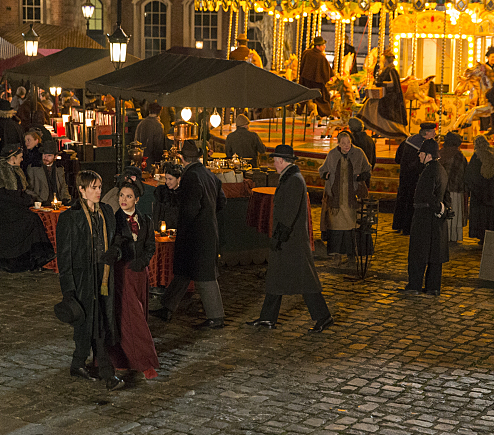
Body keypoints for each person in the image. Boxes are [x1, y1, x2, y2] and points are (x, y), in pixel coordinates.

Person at [247, 144, 334, 332]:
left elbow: (289, 213)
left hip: (292, 240)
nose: (273, 164)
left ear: (280, 161)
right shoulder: (290, 177)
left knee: (305, 280)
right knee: (275, 277)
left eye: (274, 161)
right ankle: (267, 317)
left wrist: (279, 237)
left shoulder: (293, 180)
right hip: (288, 239)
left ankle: (323, 316)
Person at [55, 170, 124, 391]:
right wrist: (68, 289)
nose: (98, 191)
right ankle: (107, 374)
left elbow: (117, 239)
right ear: (82, 190)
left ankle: (78, 363)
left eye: (99, 187)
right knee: (90, 323)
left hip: (103, 276)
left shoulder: (107, 212)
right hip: (83, 278)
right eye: (93, 187)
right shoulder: (70, 217)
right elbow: (64, 256)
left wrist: (114, 251)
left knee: (99, 321)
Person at [151, 141, 227, 329]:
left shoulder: (191, 176)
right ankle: (167, 308)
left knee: (205, 275)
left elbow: (190, 208)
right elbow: (222, 202)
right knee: (184, 272)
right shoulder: (209, 175)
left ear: (182, 158)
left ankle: (216, 317)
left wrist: (185, 223)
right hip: (207, 230)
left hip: (195, 234)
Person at [107, 181, 159, 379]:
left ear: (136, 199)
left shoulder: (145, 220)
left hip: (140, 273)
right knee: (131, 316)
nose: (123, 200)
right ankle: (144, 362)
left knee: (139, 314)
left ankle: (127, 358)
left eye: (128, 196)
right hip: (123, 273)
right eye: (121, 195)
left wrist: (143, 261)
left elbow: (150, 245)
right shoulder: (115, 220)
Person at [0, 144, 54, 272]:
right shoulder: (0, 172)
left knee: (34, 218)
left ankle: (39, 255)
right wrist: (23, 200)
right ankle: (34, 255)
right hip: (4, 210)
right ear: (13, 158)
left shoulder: (18, 171)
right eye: (20, 157)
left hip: (17, 206)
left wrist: (31, 199)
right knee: (30, 219)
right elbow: (0, 196)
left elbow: (24, 190)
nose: (22, 159)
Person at [400, 139, 450, 295]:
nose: (419, 156)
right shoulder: (441, 169)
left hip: (424, 217)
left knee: (418, 253)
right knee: (435, 254)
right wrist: (444, 210)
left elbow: (428, 195)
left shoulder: (429, 171)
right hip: (436, 219)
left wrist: (438, 209)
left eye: (420, 153)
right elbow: (445, 194)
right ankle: (433, 287)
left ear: (427, 155)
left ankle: (414, 286)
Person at [318, 131, 371, 262]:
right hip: (336, 198)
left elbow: (367, 168)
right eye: (343, 143)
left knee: (353, 225)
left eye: (348, 142)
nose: (346, 145)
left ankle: (351, 254)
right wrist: (327, 176)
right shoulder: (332, 154)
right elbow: (322, 170)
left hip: (353, 197)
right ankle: (337, 254)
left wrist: (362, 176)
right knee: (336, 225)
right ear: (338, 143)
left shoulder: (358, 153)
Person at [393, 122, 436, 235]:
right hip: (415, 177)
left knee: (402, 198)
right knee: (411, 201)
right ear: (427, 133)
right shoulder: (424, 145)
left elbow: (397, 158)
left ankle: (398, 224)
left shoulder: (408, 140)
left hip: (404, 175)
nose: (435, 134)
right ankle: (408, 228)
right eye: (433, 132)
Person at [357, 50, 408, 139]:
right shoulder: (384, 70)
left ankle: (379, 126)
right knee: (369, 102)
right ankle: (370, 124)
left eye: (383, 59)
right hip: (385, 94)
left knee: (374, 104)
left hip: (390, 96)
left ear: (386, 60)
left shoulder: (391, 70)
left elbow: (393, 83)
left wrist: (382, 84)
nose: (382, 61)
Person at [466, 135, 494, 244]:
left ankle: (483, 236)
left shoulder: (477, 156)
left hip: (482, 196)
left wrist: (473, 189)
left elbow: (472, 175)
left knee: (483, 217)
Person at [439, 132, 467, 243]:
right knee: (454, 214)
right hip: (456, 190)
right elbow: (463, 173)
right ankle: (453, 236)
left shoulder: (440, 154)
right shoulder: (459, 156)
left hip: (442, 190)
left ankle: (443, 235)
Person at [27, 140, 71, 204]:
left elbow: (63, 186)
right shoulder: (33, 168)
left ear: (55, 157)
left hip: (58, 203)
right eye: (44, 154)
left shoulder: (59, 169)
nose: (45, 157)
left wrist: (66, 199)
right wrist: (38, 200)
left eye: (49, 155)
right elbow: (29, 189)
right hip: (41, 203)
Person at [299, 36, 333, 117]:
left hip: (305, 80)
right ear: (318, 46)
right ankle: (324, 112)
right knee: (324, 96)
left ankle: (300, 108)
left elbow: (302, 66)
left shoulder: (306, 53)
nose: (324, 47)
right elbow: (326, 72)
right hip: (317, 82)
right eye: (323, 45)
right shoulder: (321, 57)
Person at [134, 103, 167, 168]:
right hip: (151, 163)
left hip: (139, 160)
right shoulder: (158, 126)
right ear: (160, 111)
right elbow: (158, 147)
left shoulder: (141, 124)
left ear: (149, 110)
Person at [153, 163, 182, 230]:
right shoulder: (162, 193)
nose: (167, 182)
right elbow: (157, 215)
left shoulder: (184, 195)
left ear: (178, 179)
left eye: (170, 179)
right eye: (166, 179)